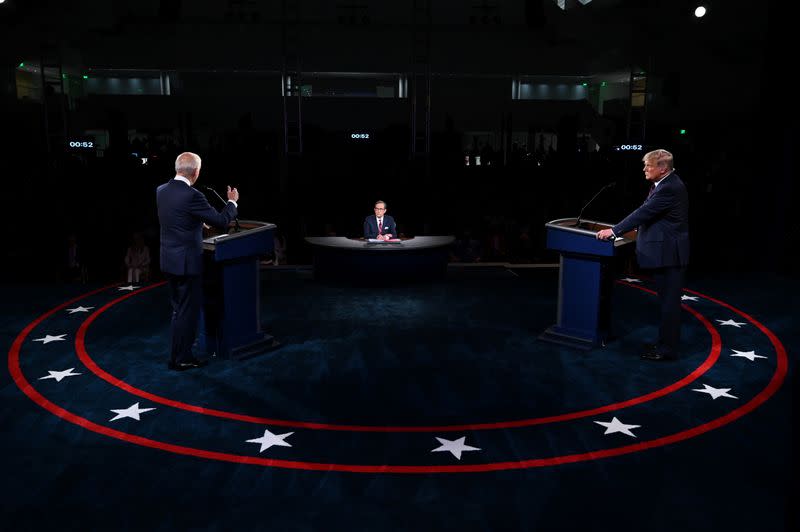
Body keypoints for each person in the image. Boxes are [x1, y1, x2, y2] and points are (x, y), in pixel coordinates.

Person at [596, 149, 689, 361]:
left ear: (662, 168)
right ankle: (665, 343)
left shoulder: (669, 188)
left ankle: (667, 350)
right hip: (667, 251)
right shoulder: (665, 184)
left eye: (648, 165)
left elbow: (643, 213)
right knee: (667, 303)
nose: (644, 169)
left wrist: (613, 231)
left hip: (669, 255)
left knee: (669, 304)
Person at [156, 152, 239, 371]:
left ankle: (176, 356)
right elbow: (222, 221)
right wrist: (232, 202)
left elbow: (175, 219)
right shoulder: (193, 195)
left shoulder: (161, 191)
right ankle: (183, 358)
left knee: (178, 310)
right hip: (186, 263)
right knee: (188, 312)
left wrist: (195, 223)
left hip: (168, 261)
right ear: (196, 172)